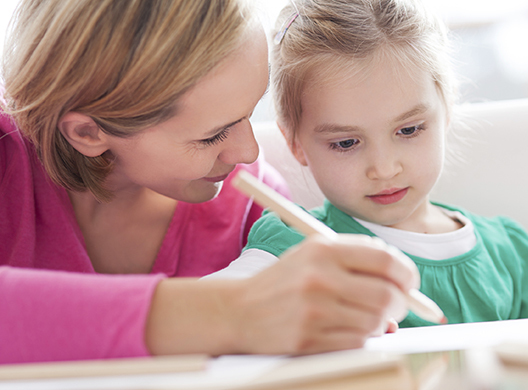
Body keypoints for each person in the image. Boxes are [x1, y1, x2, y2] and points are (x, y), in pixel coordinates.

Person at [0, 0, 420, 364]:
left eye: (249, 114)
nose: (248, 153)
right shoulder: (8, 164)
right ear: (89, 133)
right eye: (213, 135)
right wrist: (227, 312)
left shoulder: (257, 210)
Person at [207, 0, 528, 326]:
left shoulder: (510, 251)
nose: (383, 169)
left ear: (447, 109)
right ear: (295, 142)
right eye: (346, 143)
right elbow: (206, 311)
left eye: (409, 129)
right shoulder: (293, 243)